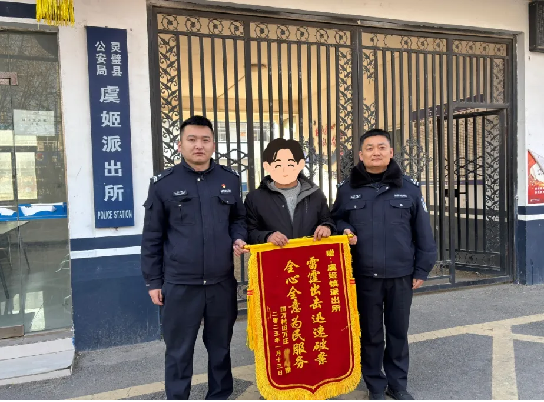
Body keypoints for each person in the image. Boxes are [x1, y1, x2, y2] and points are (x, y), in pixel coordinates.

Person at [141, 116, 248, 401]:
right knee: (178, 352)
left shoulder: (229, 180)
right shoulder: (163, 184)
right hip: (180, 284)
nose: (198, 145)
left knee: (220, 350)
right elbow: (152, 236)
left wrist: (238, 237)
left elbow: (238, 219)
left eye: (205, 140)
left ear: (213, 144)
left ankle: (219, 396)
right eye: (192, 139)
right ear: (180, 145)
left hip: (221, 283)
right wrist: (153, 282)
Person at [331, 129, 437, 401]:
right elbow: (335, 220)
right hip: (364, 274)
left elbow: (423, 232)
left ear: (391, 152)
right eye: (369, 148)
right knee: (371, 333)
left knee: (398, 332)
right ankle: (375, 385)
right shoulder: (347, 190)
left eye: (381, 147)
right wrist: (343, 228)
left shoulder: (409, 188)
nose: (375, 152)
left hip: (401, 275)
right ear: (361, 155)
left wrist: (422, 268)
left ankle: (397, 384)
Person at [244, 138, 335, 246]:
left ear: (300, 164)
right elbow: (249, 232)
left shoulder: (314, 194)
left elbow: (328, 220)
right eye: (278, 165)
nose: (284, 170)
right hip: (274, 255)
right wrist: (267, 236)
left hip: (310, 254)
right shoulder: (255, 199)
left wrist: (327, 227)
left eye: (290, 165)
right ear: (267, 166)